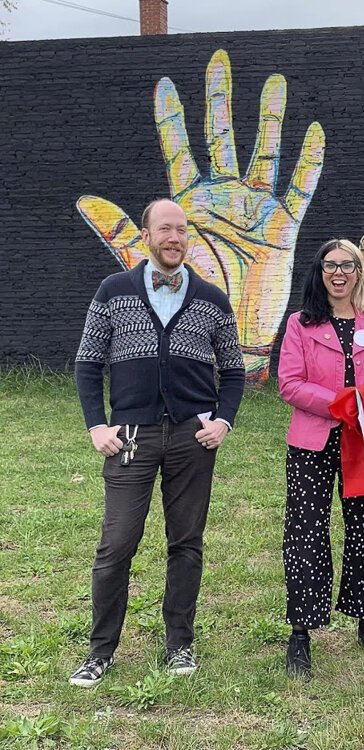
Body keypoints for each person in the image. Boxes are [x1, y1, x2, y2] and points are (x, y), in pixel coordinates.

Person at [70, 198, 245, 687]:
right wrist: (96, 425)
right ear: (146, 235)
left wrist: (224, 422)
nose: (174, 238)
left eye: (182, 231)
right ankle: (100, 651)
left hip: (193, 438)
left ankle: (179, 646)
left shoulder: (212, 298)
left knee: (186, 543)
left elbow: (233, 371)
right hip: (129, 434)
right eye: (165, 229)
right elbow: (88, 362)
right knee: (116, 544)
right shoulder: (113, 291)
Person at [278, 238, 364, 679]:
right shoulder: (300, 324)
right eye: (331, 265)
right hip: (313, 441)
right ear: (320, 272)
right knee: (306, 532)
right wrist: (341, 403)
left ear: (358, 272)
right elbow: (289, 383)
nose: (339, 272)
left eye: (348, 265)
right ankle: (301, 632)